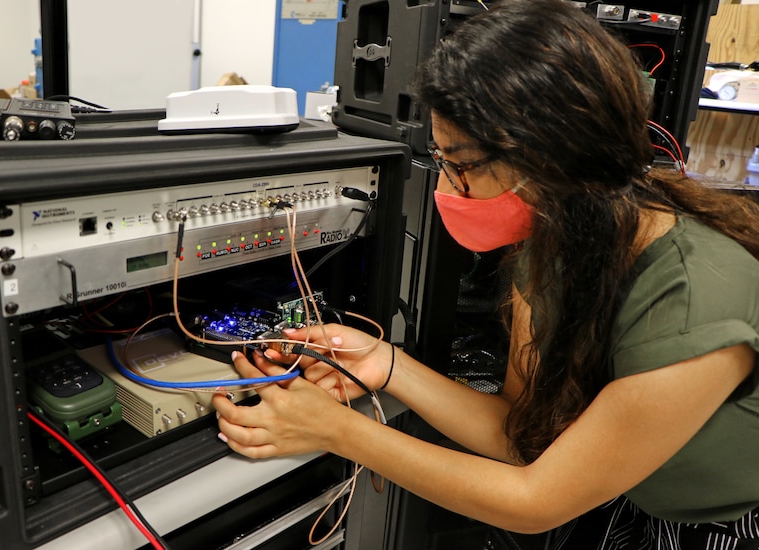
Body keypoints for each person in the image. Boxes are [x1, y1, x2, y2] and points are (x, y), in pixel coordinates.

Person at [212, 1, 759, 547]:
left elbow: (536, 500)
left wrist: (336, 431)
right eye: (441, 158)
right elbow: (522, 435)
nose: (446, 187)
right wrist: (387, 364)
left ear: (547, 158)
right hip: (628, 498)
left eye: (462, 164)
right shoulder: (556, 242)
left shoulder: (696, 295)